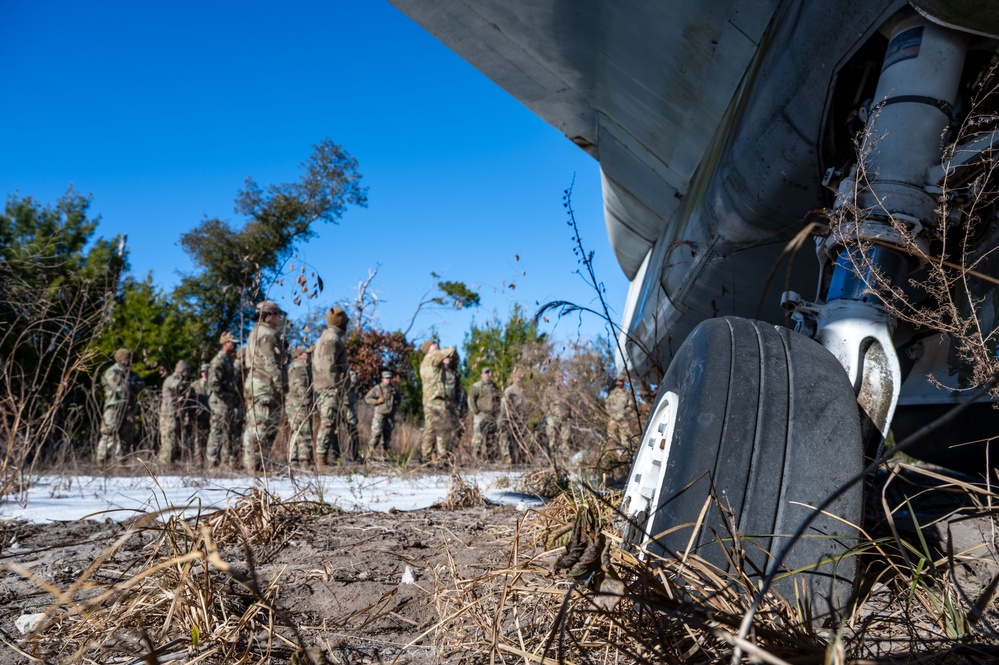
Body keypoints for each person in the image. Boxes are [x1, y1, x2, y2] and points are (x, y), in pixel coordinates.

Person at [242, 300, 286, 473]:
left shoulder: (255, 332)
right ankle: (254, 465)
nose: (280, 318)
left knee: (259, 424)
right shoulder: (266, 333)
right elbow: (270, 363)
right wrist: (281, 384)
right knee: (262, 426)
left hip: (256, 382)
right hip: (264, 384)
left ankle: (257, 464)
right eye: (278, 315)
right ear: (270, 316)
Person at [313, 306, 357, 466]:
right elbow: (327, 366)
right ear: (340, 323)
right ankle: (321, 460)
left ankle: (325, 458)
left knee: (331, 423)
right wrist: (337, 385)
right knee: (328, 422)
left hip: (327, 386)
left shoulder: (329, 337)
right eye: (345, 322)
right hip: (328, 387)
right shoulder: (332, 339)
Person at [95, 348, 144, 469]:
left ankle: (121, 462)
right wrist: (131, 385)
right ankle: (101, 461)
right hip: (114, 407)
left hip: (128, 408)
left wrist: (131, 384)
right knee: (109, 434)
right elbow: (120, 388)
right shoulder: (112, 371)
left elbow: (141, 384)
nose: (129, 361)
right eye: (127, 358)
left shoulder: (130, 373)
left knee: (126, 436)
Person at [419, 340, 457, 464]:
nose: (436, 345)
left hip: (428, 399)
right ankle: (442, 457)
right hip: (436, 399)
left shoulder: (425, 362)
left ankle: (426, 456)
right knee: (442, 428)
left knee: (430, 428)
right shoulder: (433, 356)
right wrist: (450, 349)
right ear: (428, 348)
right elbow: (450, 351)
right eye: (433, 343)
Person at [206, 332, 240, 467]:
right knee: (217, 430)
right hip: (219, 402)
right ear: (225, 344)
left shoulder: (228, 360)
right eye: (233, 343)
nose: (235, 345)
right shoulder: (218, 361)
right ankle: (212, 462)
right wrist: (226, 396)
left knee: (227, 431)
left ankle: (225, 461)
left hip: (227, 402)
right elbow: (214, 384)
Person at [158, 360, 192, 465]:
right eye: (187, 371)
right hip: (168, 415)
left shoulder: (180, 380)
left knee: (175, 439)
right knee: (168, 438)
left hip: (176, 414)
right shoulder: (172, 380)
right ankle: (164, 463)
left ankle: (171, 461)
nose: (188, 374)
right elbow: (175, 388)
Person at [285, 345, 314, 467]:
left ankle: (293, 459)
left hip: (292, 403)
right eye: (306, 353)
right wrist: (306, 400)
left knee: (295, 431)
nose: (308, 355)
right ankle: (304, 460)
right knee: (304, 431)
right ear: (299, 355)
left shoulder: (292, 368)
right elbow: (300, 386)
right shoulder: (301, 368)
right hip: (299, 403)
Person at [364, 369, 400, 458]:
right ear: (382, 379)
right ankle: (369, 455)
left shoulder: (394, 389)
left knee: (387, 436)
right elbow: (367, 398)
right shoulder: (377, 388)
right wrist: (376, 401)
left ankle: (385, 455)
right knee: (376, 434)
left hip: (390, 415)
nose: (388, 380)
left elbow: (399, 399)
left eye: (389, 378)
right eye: (386, 378)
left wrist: (396, 402)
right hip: (379, 414)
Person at [468, 367, 500, 461]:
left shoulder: (494, 387)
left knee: (491, 437)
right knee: (478, 436)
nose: (488, 374)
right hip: (480, 414)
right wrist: (475, 411)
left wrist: (497, 412)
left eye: (490, 372)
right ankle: (475, 457)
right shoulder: (477, 386)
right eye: (486, 372)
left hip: (492, 415)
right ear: (482, 374)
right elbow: (470, 398)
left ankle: (490, 458)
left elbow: (497, 400)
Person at [498, 370, 527, 465]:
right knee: (506, 437)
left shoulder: (524, 390)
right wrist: (506, 418)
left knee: (520, 438)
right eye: (516, 377)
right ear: (513, 379)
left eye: (520, 378)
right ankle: (507, 457)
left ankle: (520, 457)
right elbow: (505, 405)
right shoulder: (509, 390)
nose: (518, 380)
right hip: (508, 417)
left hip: (521, 419)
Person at [605, 375, 637, 453]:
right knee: (611, 436)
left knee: (625, 439)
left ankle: (627, 453)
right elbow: (607, 405)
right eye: (618, 381)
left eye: (621, 381)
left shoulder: (627, 393)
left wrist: (623, 413)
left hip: (624, 419)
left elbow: (631, 405)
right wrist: (612, 414)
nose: (620, 382)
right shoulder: (612, 393)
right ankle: (615, 452)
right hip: (614, 418)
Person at [191, 363, 211, 460]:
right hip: (199, 415)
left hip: (211, 415)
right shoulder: (195, 385)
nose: (205, 374)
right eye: (203, 372)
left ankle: (209, 459)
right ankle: (198, 460)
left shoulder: (214, 384)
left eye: (207, 372)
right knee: (198, 439)